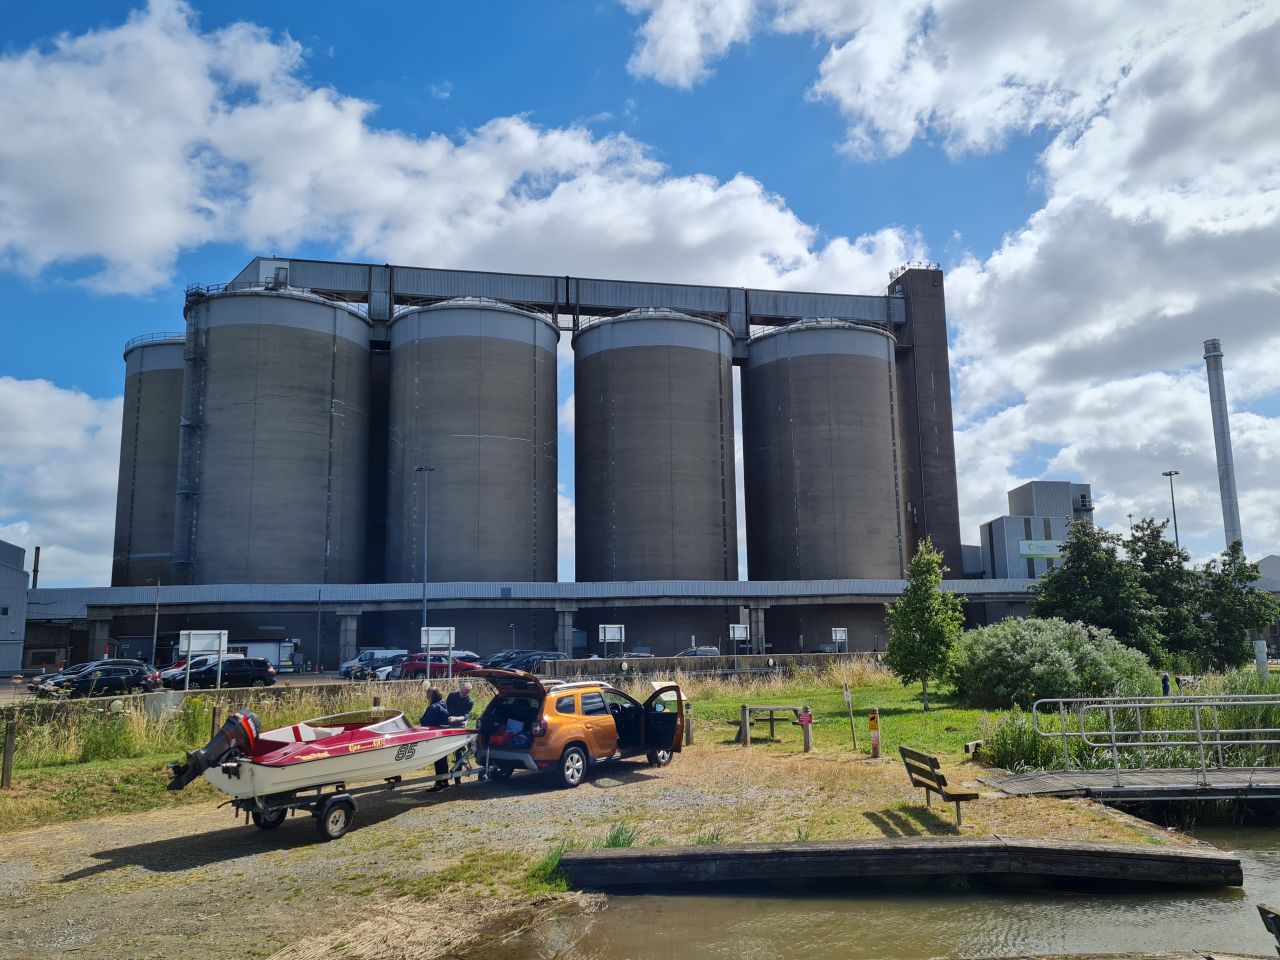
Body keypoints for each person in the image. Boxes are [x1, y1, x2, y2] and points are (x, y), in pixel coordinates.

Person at [419, 688, 463, 791]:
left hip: (437, 736)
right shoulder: (444, 704)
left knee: (439, 761)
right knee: (442, 759)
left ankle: (440, 784)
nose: (427, 697)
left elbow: (425, 722)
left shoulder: (434, 707)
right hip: (445, 735)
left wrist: (421, 718)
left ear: (431, 697)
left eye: (428, 695)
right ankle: (444, 781)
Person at [445, 682, 475, 785]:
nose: (464, 694)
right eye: (463, 692)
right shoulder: (452, 695)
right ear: (460, 688)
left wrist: (455, 718)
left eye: (467, 693)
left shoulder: (470, 701)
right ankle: (444, 779)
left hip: (460, 725)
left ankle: (458, 778)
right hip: (448, 723)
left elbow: (465, 716)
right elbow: (446, 707)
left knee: (459, 752)